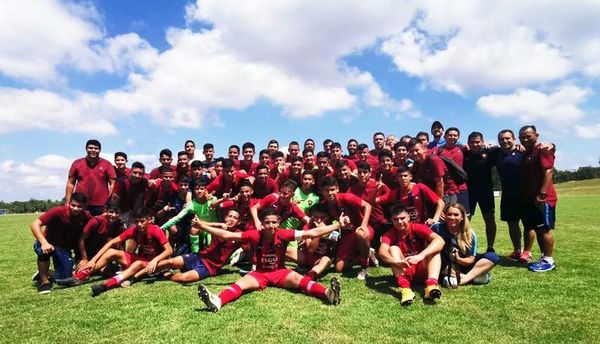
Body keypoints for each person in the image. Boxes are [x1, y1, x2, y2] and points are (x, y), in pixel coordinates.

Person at [197, 208, 343, 312]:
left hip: (280, 272)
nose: (271, 226)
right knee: (239, 285)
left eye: (274, 222)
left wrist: (337, 225)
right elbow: (227, 235)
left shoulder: (284, 234)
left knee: (302, 281)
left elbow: (312, 232)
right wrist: (202, 226)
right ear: (262, 223)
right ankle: (217, 301)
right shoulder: (255, 234)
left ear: (278, 222)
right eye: (267, 222)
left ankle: (328, 294)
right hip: (259, 274)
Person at [79, 207, 173, 296]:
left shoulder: (156, 230)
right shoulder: (135, 230)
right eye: (137, 222)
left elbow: (169, 250)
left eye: (142, 221)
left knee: (138, 263)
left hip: (157, 264)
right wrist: (93, 260)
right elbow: (112, 242)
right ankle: (81, 275)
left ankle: (108, 285)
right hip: (144, 261)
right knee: (111, 252)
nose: (139, 224)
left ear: (149, 220)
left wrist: (155, 260)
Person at [152, 208, 244, 283]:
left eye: (235, 218)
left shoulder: (239, 235)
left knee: (184, 278)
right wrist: (219, 224)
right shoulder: (219, 227)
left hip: (209, 268)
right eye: (230, 216)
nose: (231, 219)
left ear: (239, 222)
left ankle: (165, 274)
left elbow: (249, 249)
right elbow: (201, 225)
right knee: (170, 262)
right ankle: (146, 270)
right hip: (199, 256)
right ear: (225, 218)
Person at [377, 205, 444, 305]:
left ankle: (431, 287)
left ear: (408, 217)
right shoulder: (389, 234)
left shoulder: (418, 227)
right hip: (405, 269)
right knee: (393, 249)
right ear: (391, 220)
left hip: (423, 268)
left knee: (434, 249)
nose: (399, 222)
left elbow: (440, 241)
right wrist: (397, 262)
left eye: (402, 218)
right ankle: (406, 290)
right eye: (396, 219)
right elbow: (382, 252)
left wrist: (421, 255)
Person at [30, 192, 93, 293]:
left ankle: (46, 272)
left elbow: (94, 226)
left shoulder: (86, 216)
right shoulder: (57, 211)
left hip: (63, 248)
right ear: (68, 203)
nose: (76, 209)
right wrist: (44, 243)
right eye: (73, 205)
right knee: (43, 252)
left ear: (85, 207)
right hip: (48, 242)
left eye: (80, 206)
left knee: (66, 279)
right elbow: (34, 224)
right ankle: (44, 281)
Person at [518, 125, 558, 272]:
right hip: (530, 199)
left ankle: (548, 260)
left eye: (528, 136)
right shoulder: (526, 152)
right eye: (522, 137)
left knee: (544, 229)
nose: (525, 139)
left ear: (536, 135)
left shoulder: (543, 150)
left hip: (543, 199)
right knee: (537, 228)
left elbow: (548, 171)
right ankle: (543, 257)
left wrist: (542, 194)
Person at [431, 203, 499, 287]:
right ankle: (475, 278)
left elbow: (470, 259)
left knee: (493, 256)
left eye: (456, 215)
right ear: (445, 215)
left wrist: (458, 259)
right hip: (444, 264)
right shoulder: (436, 228)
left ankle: (461, 280)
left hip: (463, 264)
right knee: (437, 255)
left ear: (462, 217)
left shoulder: (470, 234)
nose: (452, 217)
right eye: (449, 214)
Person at [320, 176, 373, 279]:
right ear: (322, 191)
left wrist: (363, 225)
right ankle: (367, 255)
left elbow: (367, 206)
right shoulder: (324, 205)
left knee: (360, 233)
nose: (330, 193)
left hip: (361, 228)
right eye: (327, 190)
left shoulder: (347, 197)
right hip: (347, 234)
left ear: (337, 189)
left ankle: (364, 267)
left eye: (332, 190)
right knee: (339, 267)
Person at [161, 180, 218, 253]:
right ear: (193, 191)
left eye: (202, 189)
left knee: (210, 245)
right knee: (194, 228)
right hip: (202, 228)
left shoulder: (213, 199)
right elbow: (177, 218)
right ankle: (195, 254)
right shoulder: (191, 205)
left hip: (215, 228)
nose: (199, 191)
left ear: (206, 190)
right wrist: (162, 228)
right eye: (197, 189)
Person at [375, 165, 444, 225]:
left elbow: (440, 202)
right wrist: (374, 188)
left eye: (405, 176)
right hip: (403, 227)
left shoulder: (420, 188)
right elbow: (374, 201)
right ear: (397, 178)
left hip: (422, 225)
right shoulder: (394, 193)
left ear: (410, 177)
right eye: (400, 176)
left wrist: (435, 219)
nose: (403, 178)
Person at [463, 132, 497, 251]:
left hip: (486, 192)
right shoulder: (464, 153)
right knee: (466, 220)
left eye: (477, 142)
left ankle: (490, 247)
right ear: (468, 143)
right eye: (472, 142)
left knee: (489, 219)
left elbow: (503, 149)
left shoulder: (490, 152)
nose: (475, 144)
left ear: (482, 142)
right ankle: (464, 246)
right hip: (469, 193)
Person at [65, 139, 116, 216]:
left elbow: (113, 184)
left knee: (99, 227)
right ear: (86, 149)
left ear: (100, 150)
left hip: (101, 205)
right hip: (80, 204)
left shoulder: (107, 164)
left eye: (96, 148)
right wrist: (67, 202)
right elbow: (70, 183)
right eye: (90, 148)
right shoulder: (77, 163)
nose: (93, 150)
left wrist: (110, 202)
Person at [76, 201, 125, 278]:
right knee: (84, 274)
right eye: (111, 212)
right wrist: (84, 259)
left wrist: (122, 259)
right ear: (106, 211)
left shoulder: (118, 223)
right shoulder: (96, 221)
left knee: (112, 241)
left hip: (101, 252)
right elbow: (81, 239)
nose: (114, 215)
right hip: (87, 252)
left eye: (117, 213)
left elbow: (120, 242)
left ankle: (103, 265)